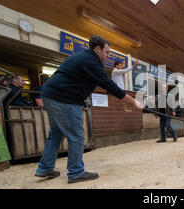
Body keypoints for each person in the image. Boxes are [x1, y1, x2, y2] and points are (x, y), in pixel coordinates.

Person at [35, 36, 142, 184]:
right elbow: (108, 84)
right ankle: (76, 172)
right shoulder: (90, 62)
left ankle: (45, 168)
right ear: (97, 49)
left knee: (56, 133)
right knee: (77, 135)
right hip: (64, 98)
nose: (108, 55)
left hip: (51, 95)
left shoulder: (85, 59)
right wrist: (133, 101)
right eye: (107, 51)